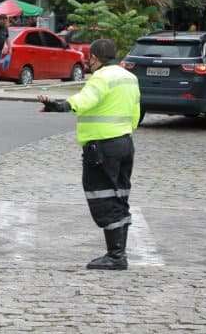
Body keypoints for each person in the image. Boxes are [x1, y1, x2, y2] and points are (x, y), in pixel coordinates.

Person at [38, 39, 141, 270]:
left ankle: (116, 257)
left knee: (103, 197)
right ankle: (118, 253)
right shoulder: (130, 77)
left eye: (90, 57)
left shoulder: (102, 77)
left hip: (102, 147)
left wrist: (57, 105)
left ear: (95, 57)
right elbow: (136, 112)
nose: (88, 61)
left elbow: (84, 101)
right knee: (119, 196)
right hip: (125, 143)